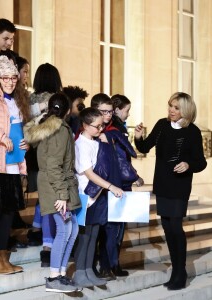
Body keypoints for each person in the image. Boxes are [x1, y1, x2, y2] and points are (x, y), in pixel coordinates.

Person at [134, 92, 207, 290]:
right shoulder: (161, 125)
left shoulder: (192, 132)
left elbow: (201, 162)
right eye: (170, 106)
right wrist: (138, 138)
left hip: (180, 186)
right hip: (163, 184)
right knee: (167, 227)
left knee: (175, 226)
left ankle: (180, 271)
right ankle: (176, 270)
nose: (171, 110)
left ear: (186, 110)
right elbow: (145, 147)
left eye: (176, 107)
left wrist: (187, 164)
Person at [24, 93, 81, 293]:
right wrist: (61, 194)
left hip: (57, 184)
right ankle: (54, 276)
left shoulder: (49, 127)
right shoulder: (60, 130)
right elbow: (54, 165)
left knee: (72, 230)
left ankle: (61, 273)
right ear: (67, 111)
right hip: (56, 186)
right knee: (64, 230)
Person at [0, 55, 30, 274]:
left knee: (9, 213)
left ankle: (2, 256)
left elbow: (19, 128)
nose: (10, 81)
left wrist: (25, 144)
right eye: (5, 77)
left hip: (14, 163)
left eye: (13, 77)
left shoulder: (17, 100)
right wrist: (2, 137)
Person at [73, 107, 123, 288]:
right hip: (87, 195)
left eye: (102, 126)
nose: (100, 129)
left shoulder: (96, 141)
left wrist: (105, 143)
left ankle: (88, 271)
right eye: (97, 126)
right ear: (85, 125)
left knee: (94, 235)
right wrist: (111, 186)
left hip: (99, 194)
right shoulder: (80, 144)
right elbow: (89, 173)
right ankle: (79, 272)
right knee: (85, 236)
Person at [26, 63, 63, 266]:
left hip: (33, 150)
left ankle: (37, 228)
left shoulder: (31, 98)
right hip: (50, 149)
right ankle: (42, 233)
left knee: (42, 192)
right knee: (46, 194)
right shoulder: (56, 100)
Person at [90, 93, 129, 280]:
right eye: (104, 111)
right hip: (94, 186)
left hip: (113, 185)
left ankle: (107, 265)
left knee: (111, 229)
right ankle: (90, 266)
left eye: (110, 111)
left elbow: (124, 156)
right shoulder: (88, 131)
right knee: (94, 230)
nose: (108, 115)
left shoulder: (113, 130)